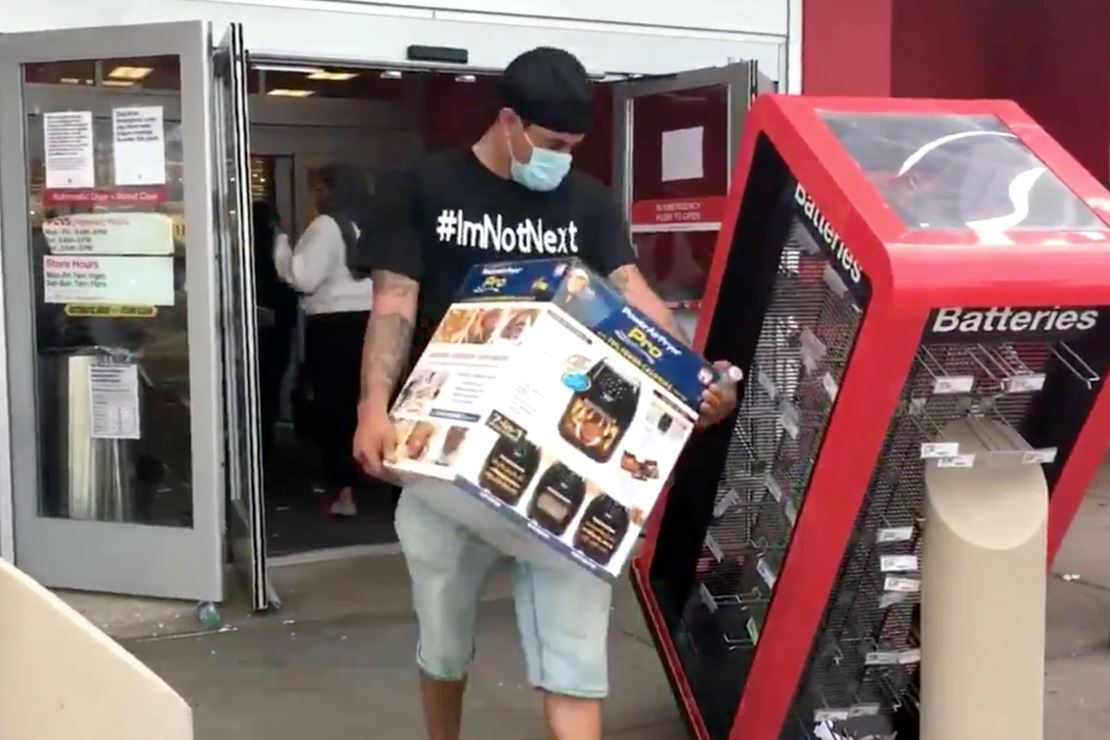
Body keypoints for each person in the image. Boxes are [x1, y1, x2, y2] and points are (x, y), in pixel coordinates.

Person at [352, 47, 739, 740]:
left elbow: (631, 290)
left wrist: (695, 376)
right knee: (443, 641)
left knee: (575, 655)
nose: (563, 158)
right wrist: (372, 409)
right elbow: (394, 302)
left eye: (573, 146)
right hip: (444, 455)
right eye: (554, 143)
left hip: (562, 456)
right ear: (509, 122)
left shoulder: (586, 202)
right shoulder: (422, 187)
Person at [276, 163, 373, 518]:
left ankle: (344, 493)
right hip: (372, 322)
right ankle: (376, 480)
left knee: (336, 407)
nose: (314, 197)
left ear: (330, 190)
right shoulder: (369, 222)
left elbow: (303, 278)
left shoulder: (326, 226)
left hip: (333, 325)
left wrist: (281, 246)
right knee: (366, 402)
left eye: (317, 189)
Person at [252, 201, 298, 466]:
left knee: (255, 387)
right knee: (271, 386)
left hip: (254, 329)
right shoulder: (278, 246)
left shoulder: (245, 251)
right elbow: (291, 279)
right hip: (277, 327)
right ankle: (267, 443)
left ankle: (257, 442)